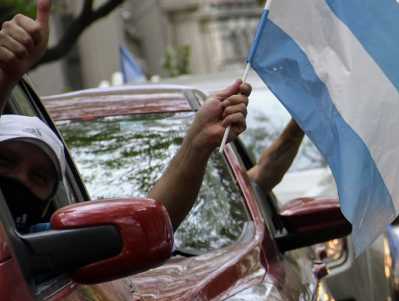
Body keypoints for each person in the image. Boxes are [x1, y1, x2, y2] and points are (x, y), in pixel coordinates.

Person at [0, 0, 251, 233]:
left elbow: (146, 227)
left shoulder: (51, 249)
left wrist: (198, 143)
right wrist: (6, 77)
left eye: (38, 177)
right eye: (6, 162)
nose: (19, 179)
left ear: (49, 204)